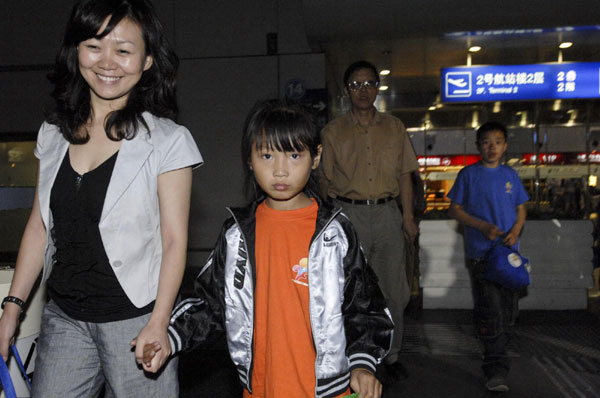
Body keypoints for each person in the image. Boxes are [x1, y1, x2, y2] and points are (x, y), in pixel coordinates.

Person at [0, 1, 202, 397]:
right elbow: (40, 228)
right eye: (94, 46)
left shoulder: (167, 141)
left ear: (146, 62)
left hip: (137, 318)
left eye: (124, 50)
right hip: (66, 317)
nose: (107, 62)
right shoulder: (52, 135)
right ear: (76, 52)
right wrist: (12, 308)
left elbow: (175, 240)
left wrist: (160, 321)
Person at [136, 101, 394, 398]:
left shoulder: (334, 233)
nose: (280, 170)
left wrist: (362, 364)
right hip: (259, 388)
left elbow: (364, 307)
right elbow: (211, 304)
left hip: (327, 391)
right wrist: (170, 336)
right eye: (267, 155)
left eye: (294, 155)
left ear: (316, 157)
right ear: (249, 159)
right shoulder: (237, 235)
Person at [318, 60, 419, 381]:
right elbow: (324, 179)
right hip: (349, 215)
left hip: (389, 213)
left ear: (378, 87)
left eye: (369, 84)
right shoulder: (332, 131)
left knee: (393, 289)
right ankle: (353, 353)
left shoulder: (395, 127)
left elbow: (405, 175)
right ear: (346, 90)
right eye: (356, 85)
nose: (363, 90)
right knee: (350, 289)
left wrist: (408, 217)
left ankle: (392, 353)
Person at [447, 121, 528, 392]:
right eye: (486, 142)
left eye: (497, 141)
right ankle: (496, 370)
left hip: (509, 257)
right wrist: (482, 226)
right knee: (492, 312)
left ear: (505, 146)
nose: (491, 147)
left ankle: (493, 346)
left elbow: (521, 209)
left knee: (507, 313)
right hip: (482, 256)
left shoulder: (510, 175)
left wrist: (515, 231)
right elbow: (455, 210)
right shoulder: (468, 175)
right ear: (478, 145)